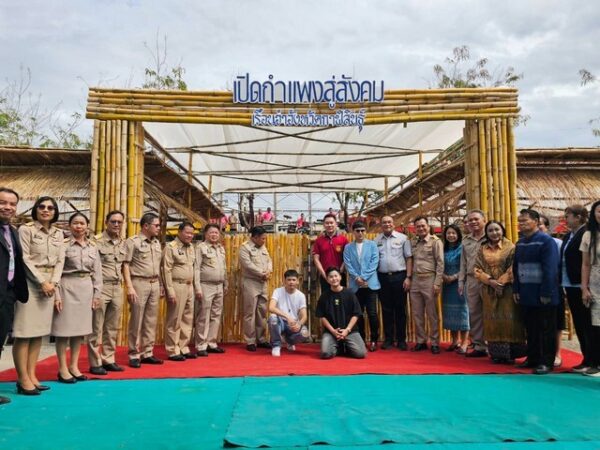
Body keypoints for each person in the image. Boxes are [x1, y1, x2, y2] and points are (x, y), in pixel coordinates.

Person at [13, 196, 64, 395]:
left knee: (38, 333)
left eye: (50, 207)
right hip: (31, 284)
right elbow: (24, 258)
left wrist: (54, 283)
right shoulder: (26, 230)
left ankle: (32, 375)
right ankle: (22, 378)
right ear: (35, 209)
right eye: (41, 206)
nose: (46, 210)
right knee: (24, 333)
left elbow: (60, 260)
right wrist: (42, 281)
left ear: (55, 212)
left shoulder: (59, 233)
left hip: (50, 284)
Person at [53, 213, 102, 383]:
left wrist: (97, 294)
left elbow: (97, 272)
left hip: (86, 288)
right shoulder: (63, 245)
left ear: (87, 226)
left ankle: (74, 366)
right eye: (75, 223)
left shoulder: (93, 246)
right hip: (67, 286)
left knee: (79, 332)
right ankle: (62, 368)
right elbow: (56, 271)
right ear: (69, 225)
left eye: (82, 223)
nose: (79, 226)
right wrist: (57, 295)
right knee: (63, 331)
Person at [513, 209, 560, 375]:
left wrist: (546, 292)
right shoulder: (520, 243)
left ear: (535, 221)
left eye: (525, 220)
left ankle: (546, 362)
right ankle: (532, 357)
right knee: (530, 328)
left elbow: (550, 269)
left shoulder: (546, 241)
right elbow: (516, 268)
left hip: (543, 293)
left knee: (546, 328)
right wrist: (516, 288)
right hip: (526, 292)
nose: (521, 224)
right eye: (519, 221)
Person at [474, 221, 526, 363]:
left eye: (497, 229)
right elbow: (477, 268)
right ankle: (496, 354)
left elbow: (513, 267)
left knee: (509, 320)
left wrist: (501, 282)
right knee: (492, 321)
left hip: (507, 290)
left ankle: (511, 355)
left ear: (502, 230)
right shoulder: (482, 248)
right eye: (490, 230)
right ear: (486, 233)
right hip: (489, 290)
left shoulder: (511, 247)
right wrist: (490, 281)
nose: (494, 233)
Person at [88, 210, 127, 375]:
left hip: (117, 287)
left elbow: (124, 266)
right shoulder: (95, 242)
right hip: (101, 288)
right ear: (106, 223)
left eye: (119, 222)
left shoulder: (123, 243)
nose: (116, 225)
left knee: (112, 327)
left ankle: (108, 359)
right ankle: (95, 362)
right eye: (113, 221)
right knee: (96, 326)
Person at [123, 212, 163, 368]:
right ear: (146, 226)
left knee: (151, 320)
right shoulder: (133, 242)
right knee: (136, 320)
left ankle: (148, 352)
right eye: (156, 225)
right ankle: (134, 353)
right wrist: (129, 287)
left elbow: (158, 266)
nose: (159, 228)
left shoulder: (156, 243)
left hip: (154, 282)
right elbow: (126, 264)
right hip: (139, 282)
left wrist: (160, 285)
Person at [0, 187, 29, 402]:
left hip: (7, 294)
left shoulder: (12, 231)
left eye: (12, 204)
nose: (8, 207)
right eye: (3, 202)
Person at [162, 222, 201, 361]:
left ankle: (184, 347)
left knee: (187, 319)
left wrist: (196, 287)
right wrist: (169, 290)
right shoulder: (171, 247)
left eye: (192, 233)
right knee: (175, 319)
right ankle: (172, 350)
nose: (190, 236)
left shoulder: (191, 247)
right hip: (176, 285)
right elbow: (166, 270)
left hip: (189, 286)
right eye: (187, 233)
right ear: (179, 232)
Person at [560, 205, 592, 373]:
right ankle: (586, 357)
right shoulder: (568, 236)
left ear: (578, 217)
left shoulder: (586, 233)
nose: (565, 219)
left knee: (588, 323)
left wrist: (586, 285)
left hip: (582, 284)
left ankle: (593, 359)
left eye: (568, 216)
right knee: (579, 323)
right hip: (569, 283)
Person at [375, 215, 413, 351]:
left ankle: (401, 340)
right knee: (386, 309)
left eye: (389, 222)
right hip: (383, 278)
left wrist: (408, 277)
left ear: (393, 223)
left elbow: (409, 258)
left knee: (400, 309)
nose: (387, 224)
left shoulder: (403, 238)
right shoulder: (376, 240)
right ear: (381, 225)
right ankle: (389, 339)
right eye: (384, 222)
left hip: (400, 277)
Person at [343, 221, 380, 351]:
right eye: (357, 231)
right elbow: (348, 264)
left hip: (370, 284)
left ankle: (374, 340)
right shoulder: (348, 247)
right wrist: (356, 278)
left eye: (362, 230)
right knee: (358, 314)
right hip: (355, 285)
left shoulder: (372, 245)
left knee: (372, 313)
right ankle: (361, 339)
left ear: (366, 231)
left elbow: (374, 262)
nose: (360, 233)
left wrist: (363, 277)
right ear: (353, 232)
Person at [410, 216, 444, 354]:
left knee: (432, 313)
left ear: (428, 227)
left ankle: (435, 342)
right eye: (418, 226)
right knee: (417, 313)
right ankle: (421, 340)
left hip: (430, 279)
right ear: (415, 229)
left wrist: (437, 282)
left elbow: (440, 263)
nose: (421, 228)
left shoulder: (435, 242)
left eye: (423, 226)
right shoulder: (413, 242)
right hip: (415, 280)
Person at [315, 267, 366, 359]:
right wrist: (333, 331)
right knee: (325, 353)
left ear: (340, 277)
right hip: (331, 331)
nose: (334, 279)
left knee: (361, 353)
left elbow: (356, 314)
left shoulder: (350, 294)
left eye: (336, 276)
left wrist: (347, 330)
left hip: (350, 331)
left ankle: (346, 345)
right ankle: (339, 347)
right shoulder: (324, 296)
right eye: (331, 277)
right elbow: (322, 317)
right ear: (327, 279)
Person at [195, 223, 228, 356]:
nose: (214, 235)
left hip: (219, 285)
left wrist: (226, 283)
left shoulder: (220, 248)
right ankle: (201, 345)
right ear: (206, 234)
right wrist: (197, 287)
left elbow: (224, 267)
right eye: (211, 232)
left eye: (216, 233)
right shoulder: (200, 248)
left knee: (216, 315)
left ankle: (211, 342)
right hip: (205, 285)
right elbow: (196, 268)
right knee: (203, 315)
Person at [458, 209, 487, 357]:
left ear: (484, 220)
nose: (473, 222)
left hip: (489, 281)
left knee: (491, 312)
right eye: (470, 220)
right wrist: (461, 281)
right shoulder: (466, 241)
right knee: (474, 313)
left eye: (476, 219)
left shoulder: (491, 236)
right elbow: (463, 263)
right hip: (471, 280)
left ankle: (494, 344)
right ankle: (479, 345)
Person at [239, 226, 272, 351]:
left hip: (263, 283)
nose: (264, 240)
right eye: (262, 238)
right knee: (250, 312)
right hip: (251, 282)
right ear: (255, 237)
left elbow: (269, 260)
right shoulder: (245, 247)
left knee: (262, 311)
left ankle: (261, 339)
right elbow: (247, 264)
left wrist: (268, 271)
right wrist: (261, 273)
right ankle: (250, 340)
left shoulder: (262, 246)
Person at [539, 214, 566, 367]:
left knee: (556, 321)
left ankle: (557, 353)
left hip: (555, 286)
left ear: (547, 227)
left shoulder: (557, 243)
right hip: (536, 288)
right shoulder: (527, 242)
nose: (538, 227)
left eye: (540, 224)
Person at [441, 224, 470, 354]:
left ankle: (464, 343)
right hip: (446, 284)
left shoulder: (463, 248)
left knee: (462, 312)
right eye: (448, 233)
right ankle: (454, 341)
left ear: (458, 235)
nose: (451, 235)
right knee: (450, 312)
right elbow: (438, 264)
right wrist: (443, 276)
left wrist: (454, 277)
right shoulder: (443, 249)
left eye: (453, 233)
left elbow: (467, 266)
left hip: (460, 283)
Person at [268, 269, 309, 357]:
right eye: (289, 280)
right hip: (280, 322)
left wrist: (299, 324)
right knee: (272, 318)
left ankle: (289, 341)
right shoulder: (278, 291)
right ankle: (276, 345)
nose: (291, 282)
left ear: (297, 281)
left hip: (293, 324)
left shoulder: (301, 295)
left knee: (305, 333)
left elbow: (304, 316)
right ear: (284, 281)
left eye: (294, 280)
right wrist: (287, 316)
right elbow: (271, 307)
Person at [580, 200, 600, 377]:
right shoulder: (588, 235)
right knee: (596, 325)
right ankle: (596, 363)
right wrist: (584, 288)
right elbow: (585, 264)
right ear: (593, 214)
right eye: (599, 211)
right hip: (595, 283)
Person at [312, 213, 349, 292]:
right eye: (327, 223)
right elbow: (316, 259)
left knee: (341, 297)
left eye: (331, 223)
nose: (329, 225)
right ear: (324, 225)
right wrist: (323, 274)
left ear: (336, 224)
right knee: (327, 298)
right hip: (325, 275)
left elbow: (347, 257)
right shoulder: (319, 241)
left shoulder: (343, 240)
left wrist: (341, 271)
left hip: (339, 276)